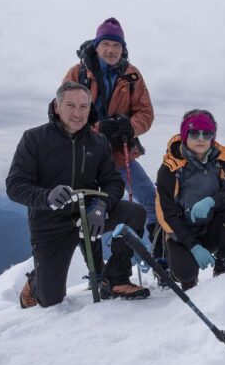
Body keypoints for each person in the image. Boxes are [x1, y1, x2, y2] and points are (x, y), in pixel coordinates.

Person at [7, 82, 150, 308]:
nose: (77, 113)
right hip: (51, 223)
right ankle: (37, 282)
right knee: (50, 299)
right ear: (57, 106)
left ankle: (115, 277)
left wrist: (102, 205)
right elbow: (15, 185)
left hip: (90, 214)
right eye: (70, 105)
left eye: (84, 107)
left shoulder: (98, 142)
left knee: (135, 213)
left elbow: (112, 181)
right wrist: (46, 197)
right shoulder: (34, 139)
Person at [62, 18, 159, 247]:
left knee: (151, 200)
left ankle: (159, 255)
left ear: (123, 49)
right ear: (96, 46)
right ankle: (94, 268)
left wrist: (131, 126)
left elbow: (145, 112)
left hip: (118, 152)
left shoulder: (131, 75)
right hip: (83, 153)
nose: (111, 50)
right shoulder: (78, 74)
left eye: (117, 45)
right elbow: (64, 114)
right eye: (106, 43)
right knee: (85, 210)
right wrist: (97, 128)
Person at [155, 110, 225, 290]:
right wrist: (193, 246)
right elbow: (167, 215)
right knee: (185, 274)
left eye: (207, 133)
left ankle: (223, 264)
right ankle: (181, 268)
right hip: (182, 233)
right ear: (184, 135)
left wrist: (212, 201)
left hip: (211, 228)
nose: (201, 138)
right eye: (194, 133)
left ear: (213, 136)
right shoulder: (170, 170)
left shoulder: (220, 162)